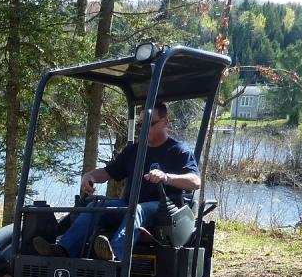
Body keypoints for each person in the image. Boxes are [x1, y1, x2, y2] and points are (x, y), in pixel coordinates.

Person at [34, 102, 201, 261]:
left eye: (149, 124)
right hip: (128, 206)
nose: (143, 129)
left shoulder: (179, 151)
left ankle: (114, 253)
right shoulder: (133, 151)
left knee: (137, 209)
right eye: (140, 125)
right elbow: (107, 172)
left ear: (165, 122)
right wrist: (90, 176)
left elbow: (195, 181)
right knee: (96, 206)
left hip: (163, 211)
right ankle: (63, 250)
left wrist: (167, 177)